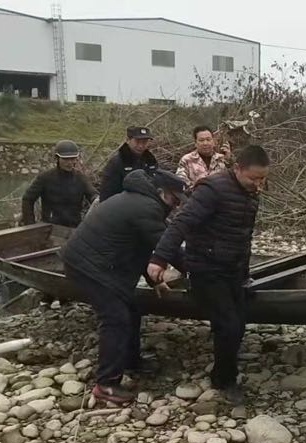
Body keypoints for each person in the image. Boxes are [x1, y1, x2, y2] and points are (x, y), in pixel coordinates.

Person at [146, 145, 270, 406]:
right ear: (238, 169)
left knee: (238, 321)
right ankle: (223, 380)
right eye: (254, 179)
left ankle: (225, 361)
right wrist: (159, 258)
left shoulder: (251, 193)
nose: (259, 185)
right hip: (206, 267)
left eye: (262, 179)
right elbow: (182, 223)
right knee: (230, 325)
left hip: (233, 268)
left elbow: (242, 236)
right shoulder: (212, 190)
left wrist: (244, 271)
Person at [61, 169, 187, 404]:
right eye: (174, 199)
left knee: (132, 307)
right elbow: (165, 248)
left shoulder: (141, 201)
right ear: (161, 192)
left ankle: (130, 360)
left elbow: (142, 248)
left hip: (101, 260)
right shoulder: (146, 208)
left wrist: (155, 281)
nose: (176, 205)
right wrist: (199, 271)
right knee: (115, 317)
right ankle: (106, 384)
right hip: (87, 265)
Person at [21, 140, 97, 227]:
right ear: (57, 158)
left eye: (72, 159)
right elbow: (27, 199)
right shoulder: (45, 178)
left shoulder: (80, 178)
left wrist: (96, 199)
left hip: (73, 228)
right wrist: (30, 225)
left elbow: (93, 195)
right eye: (65, 159)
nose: (69, 162)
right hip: (50, 227)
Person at [99, 126, 158, 202]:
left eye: (144, 142)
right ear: (128, 140)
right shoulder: (117, 163)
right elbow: (106, 194)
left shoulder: (151, 161)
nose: (141, 146)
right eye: (137, 141)